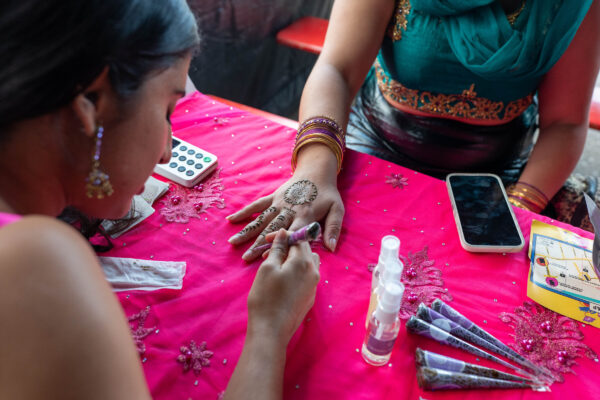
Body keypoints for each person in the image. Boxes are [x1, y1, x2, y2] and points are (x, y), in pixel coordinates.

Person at [0, 1, 319, 399]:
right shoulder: (37, 263)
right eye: (168, 110)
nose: (168, 151)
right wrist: (272, 327)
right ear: (93, 104)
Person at [228, 0, 600, 258]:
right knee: (318, 253)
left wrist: (517, 209)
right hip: (377, 145)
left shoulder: (573, 6)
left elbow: (564, 123)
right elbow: (337, 70)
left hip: (500, 180)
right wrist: (314, 172)